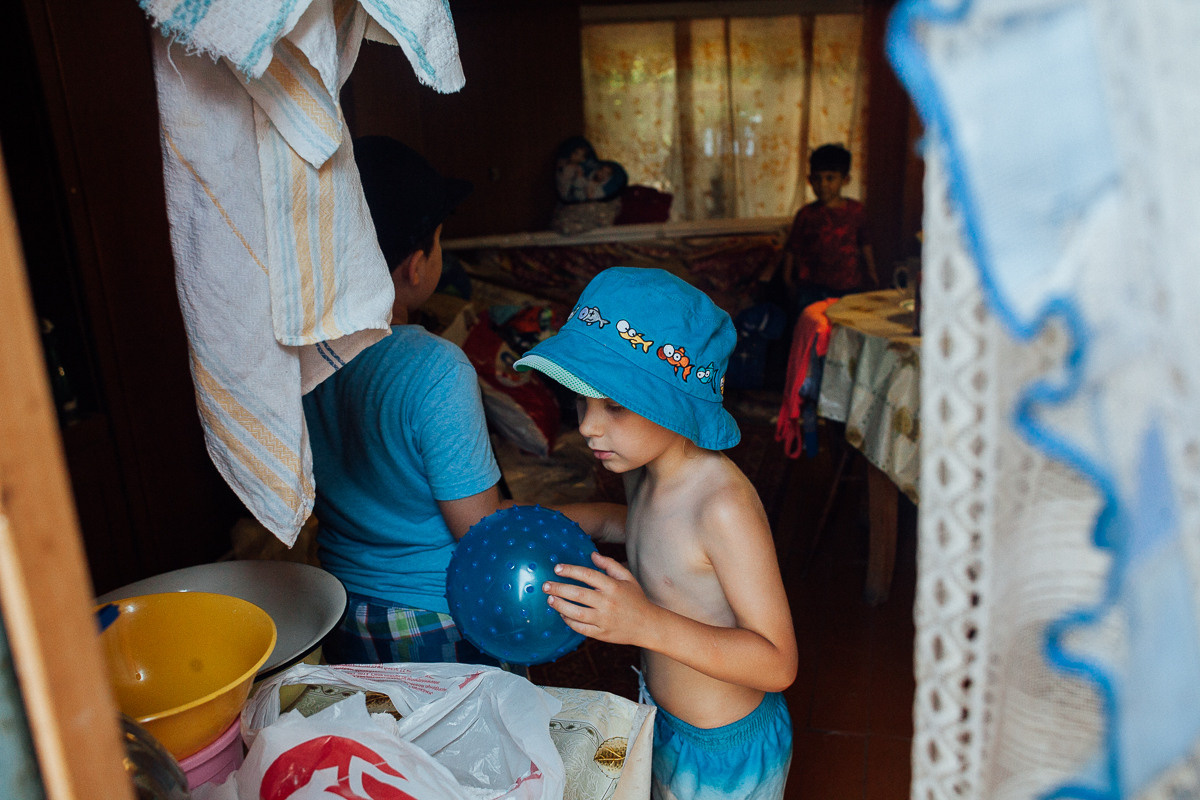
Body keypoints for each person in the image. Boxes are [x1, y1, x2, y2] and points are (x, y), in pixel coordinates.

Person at [516, 267, 799, 800]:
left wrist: (643, 622)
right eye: (581, 400)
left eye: (614, 406)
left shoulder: (722, 506)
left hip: (724, 750)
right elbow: (646, 529)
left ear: (676, 402)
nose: (586, 426)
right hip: (662, 716)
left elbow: (778, 662)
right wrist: (552, 518)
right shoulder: (644, 470)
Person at [303, 136, 507, 666]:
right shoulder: (436, 369)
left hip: (343, 611)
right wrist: (596, 517)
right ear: (416, 266)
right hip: (437, 616)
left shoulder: (302, 358)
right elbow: (480, 534)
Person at [761, 143, 878, 315]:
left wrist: (872, 273)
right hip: (812, 288)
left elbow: (865, 243)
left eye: (830, 178)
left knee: (843, 332)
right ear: (809, 180)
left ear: (845, 180)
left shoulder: (856, 211)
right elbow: (792, 248)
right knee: (814, 332)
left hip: (849, 286)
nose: (823, 184)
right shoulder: (806, 214)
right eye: (817, 178)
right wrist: (788, 280)